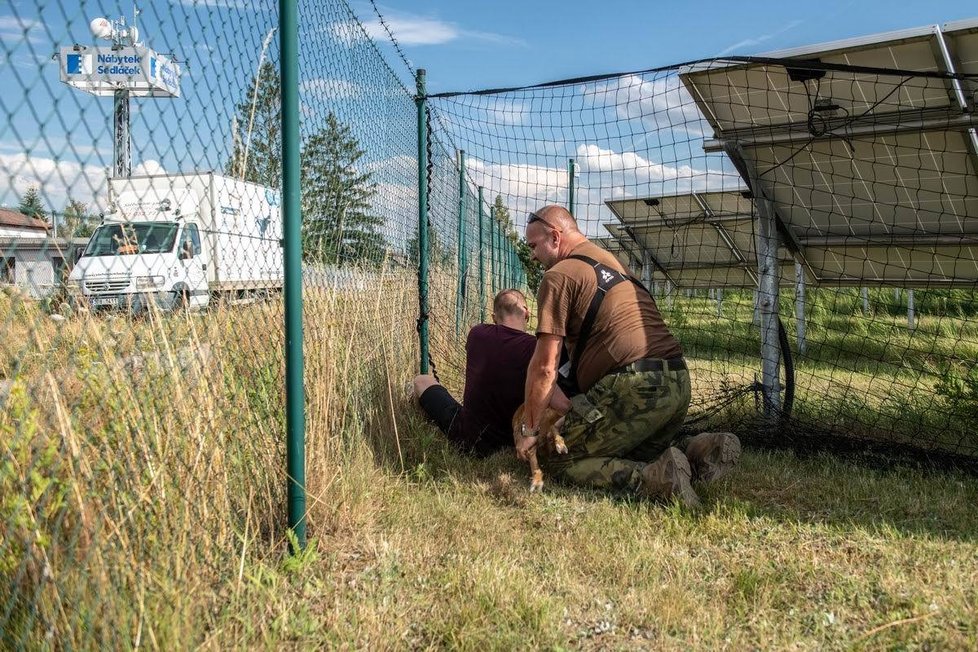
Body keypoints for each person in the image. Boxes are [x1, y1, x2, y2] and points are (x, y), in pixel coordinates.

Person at [517, 205, 740, 506]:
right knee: (626, 450)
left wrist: (530, 430)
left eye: (534, 246)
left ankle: (654, 480)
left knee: (554, 457)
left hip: (633, 385)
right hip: (677, 381)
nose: (532, 255)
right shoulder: (613, 264)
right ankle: (701, 451)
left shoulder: (559, 275)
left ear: (555, 237)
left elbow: (544, 368)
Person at [413, 289, 569, 457]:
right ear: (527, 314)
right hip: (513, 439)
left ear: (494, 317)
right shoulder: (534, 349)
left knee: (421, 380)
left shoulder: (476, 334)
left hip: (469, 439)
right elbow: (563, 406)